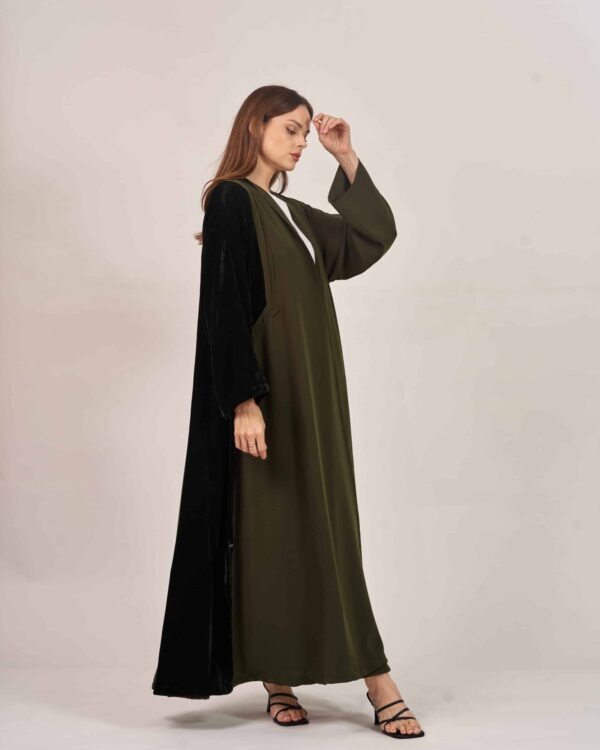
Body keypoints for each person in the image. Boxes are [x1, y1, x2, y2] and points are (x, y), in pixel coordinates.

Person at [152, 85, 425, 739]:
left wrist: (345, 156)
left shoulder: (295, 214)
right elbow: (223, 303)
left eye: (307, 131)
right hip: (269, 393)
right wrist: (243, 400)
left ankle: (307, 675)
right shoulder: (232, 200)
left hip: (315, 393)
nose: (303, 142)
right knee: (272, 530)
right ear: (256, 126)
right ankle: (363, 681)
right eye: (293, 129)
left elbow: (371, 235)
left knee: (325, 525)